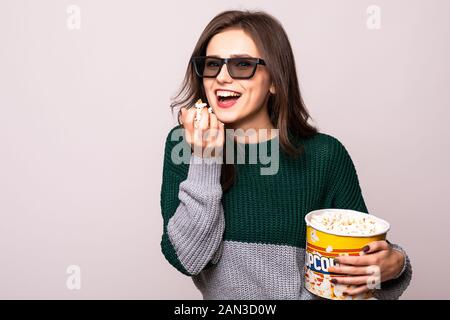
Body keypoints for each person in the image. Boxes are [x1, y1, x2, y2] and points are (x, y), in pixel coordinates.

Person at [160, 10, 412, 299]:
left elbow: (359, 272)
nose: (222, 77)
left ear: (275, 81)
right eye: (212, 65)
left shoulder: (325, 155)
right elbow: (188, 259)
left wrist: (396, 266)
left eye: (242, 65)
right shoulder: (184, 146)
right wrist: (205, 159)